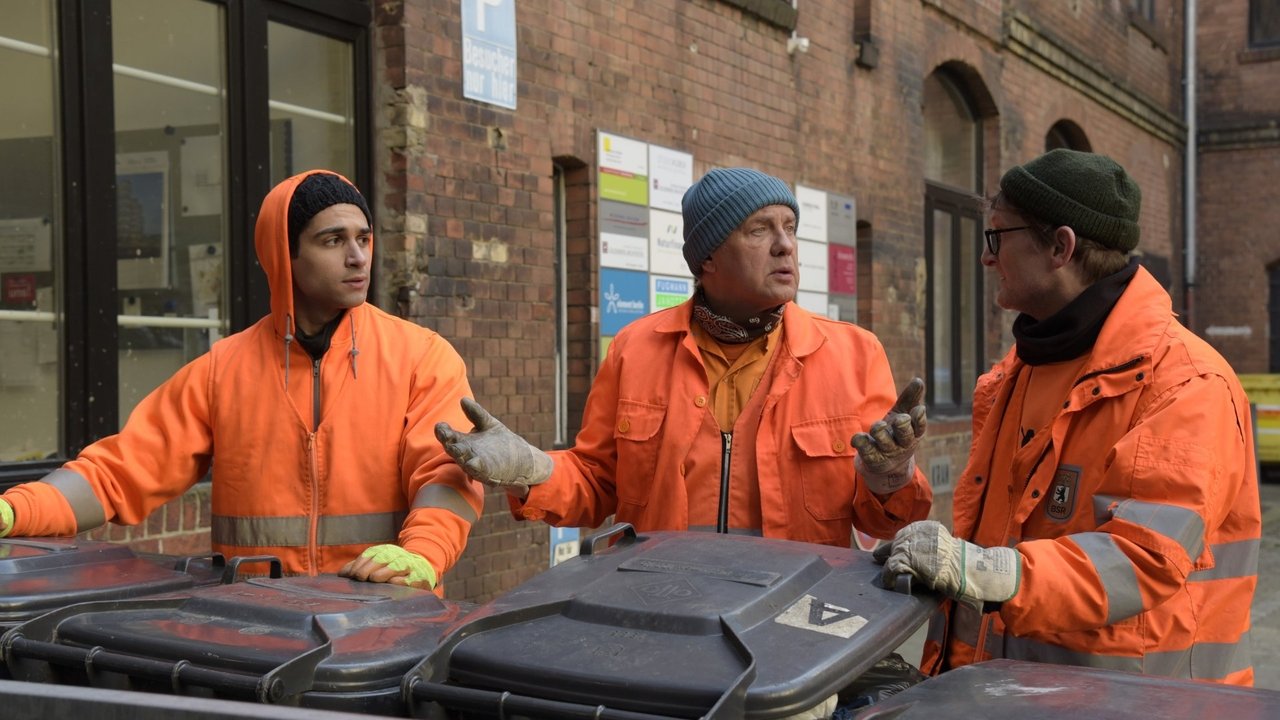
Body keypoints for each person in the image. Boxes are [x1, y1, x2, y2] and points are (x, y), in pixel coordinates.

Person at [875, 149, 1261, 685]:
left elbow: (1143, 558)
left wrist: (980, 570)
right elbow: (996, 540)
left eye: (997, 238)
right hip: (1001, 690)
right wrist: (893, 486)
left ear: (1061, 246)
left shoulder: (1186, 383)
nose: (987, 259)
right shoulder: (1019, 371)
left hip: (1139, 701)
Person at [0, 170, 482, 594]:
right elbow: (117, 474)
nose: (358, 257)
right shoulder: (224, 369)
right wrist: (15, 511)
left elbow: (446, 475)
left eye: (364, 238)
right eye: (333, 240)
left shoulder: (421, 357)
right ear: (284, 256)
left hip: (382, 631)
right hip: (255, 635)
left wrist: (424, 554)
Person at [435, 167, 931, 548]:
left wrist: (892, 474)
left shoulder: (853, 354)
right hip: (664, 612)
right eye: (760, 230)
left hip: (796, 632)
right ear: (707, 259)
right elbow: (595, 483)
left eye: (790, 228)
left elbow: (886, 520)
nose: (785, 246)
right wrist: (533, 470)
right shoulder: (636, 349)